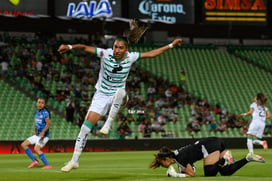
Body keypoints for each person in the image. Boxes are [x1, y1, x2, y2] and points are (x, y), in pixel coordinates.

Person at [57, 20, 182, 172]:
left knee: (120, 92)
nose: (116, 50)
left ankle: (108, 124)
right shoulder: (105, 53)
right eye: (115, 46)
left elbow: (152, 53)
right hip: (101, 96)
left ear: (126, 49)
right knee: (84, 128)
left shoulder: (131, 57)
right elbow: (84, 47)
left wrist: (171, 45)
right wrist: (69, 47)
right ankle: (74, 161)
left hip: (119, 97)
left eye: (120, 48)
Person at [150, 137, 265, 178]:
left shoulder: (179, 159)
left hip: (209, 146)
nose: (162, 166)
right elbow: (191, 168)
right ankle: (248, 158)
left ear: (167, 159)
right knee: (226, 172)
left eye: (161, 163)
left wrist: (175, 175)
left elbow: (191, 174)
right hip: (214, 142)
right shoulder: (178, 156)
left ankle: (225, 157)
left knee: (209, 172)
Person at [21, 97, 52, 169]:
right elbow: (37, 123)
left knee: (36, 149)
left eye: (42, 103)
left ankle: (48, 165)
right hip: (37, 135)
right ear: (36, 103)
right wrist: (35, 130)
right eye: (39, 102)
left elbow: (48, 124)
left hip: (44, 136)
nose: (40, 104)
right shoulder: (36, 112)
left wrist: (43, 132)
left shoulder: (45, 113)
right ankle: (34, 161)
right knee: (24, 144)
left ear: (44, 104)